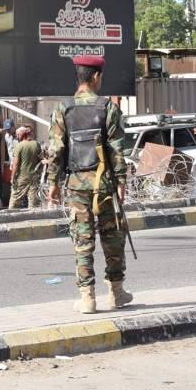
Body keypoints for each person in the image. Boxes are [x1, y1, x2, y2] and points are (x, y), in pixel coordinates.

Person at [47, 55, 132, 314]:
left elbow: (56, 150)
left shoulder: (63, 109)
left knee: (83, 240)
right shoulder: (108, 108)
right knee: (113, 237)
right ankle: (116, 293)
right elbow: (117, 150)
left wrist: (54, 182)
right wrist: (121, 182)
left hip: (76, 185)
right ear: (95, 77)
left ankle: (87, 298)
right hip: (104, 183)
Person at [9, 126, 43, 209]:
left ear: (22, 134)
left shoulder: (19, 146)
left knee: (15, 198)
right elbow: (41, 159)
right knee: (33, 200)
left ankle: (11, 216)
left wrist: (12, 177)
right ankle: (33, 217)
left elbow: (15, 164)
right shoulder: (36, 144)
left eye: (18, 135)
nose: (17, 136)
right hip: (34, 176)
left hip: (22, 176)